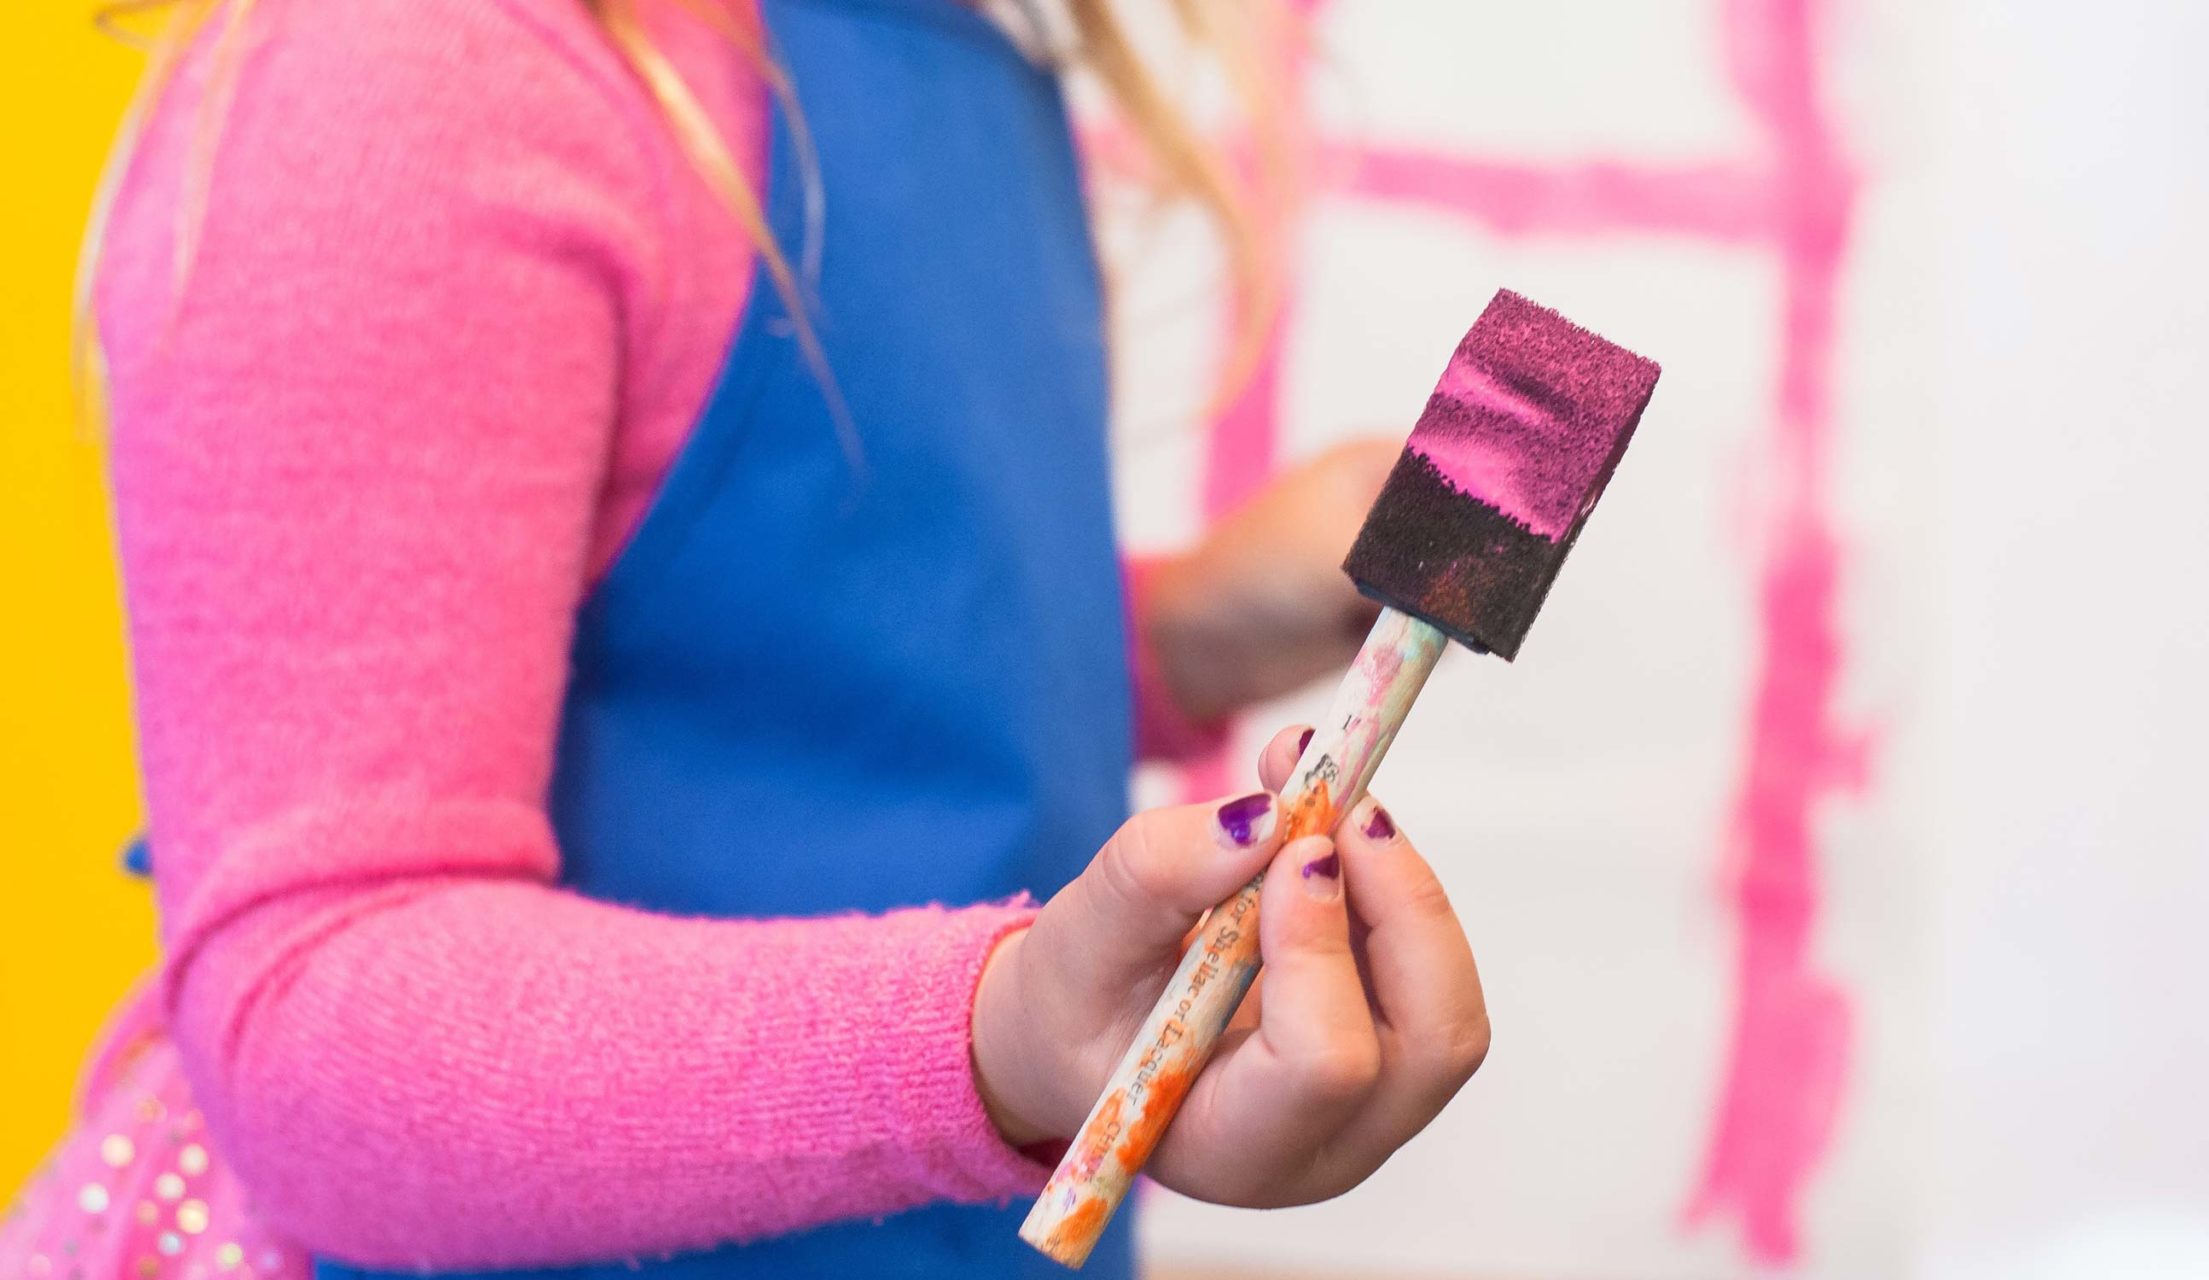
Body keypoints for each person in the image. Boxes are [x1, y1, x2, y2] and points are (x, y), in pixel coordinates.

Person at [2, 0, 1491, 1275]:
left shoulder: (965, 60)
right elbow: (312, 1006)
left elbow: (784, 662)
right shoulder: (429, 69)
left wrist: (1174, 638)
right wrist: (997, 1038)